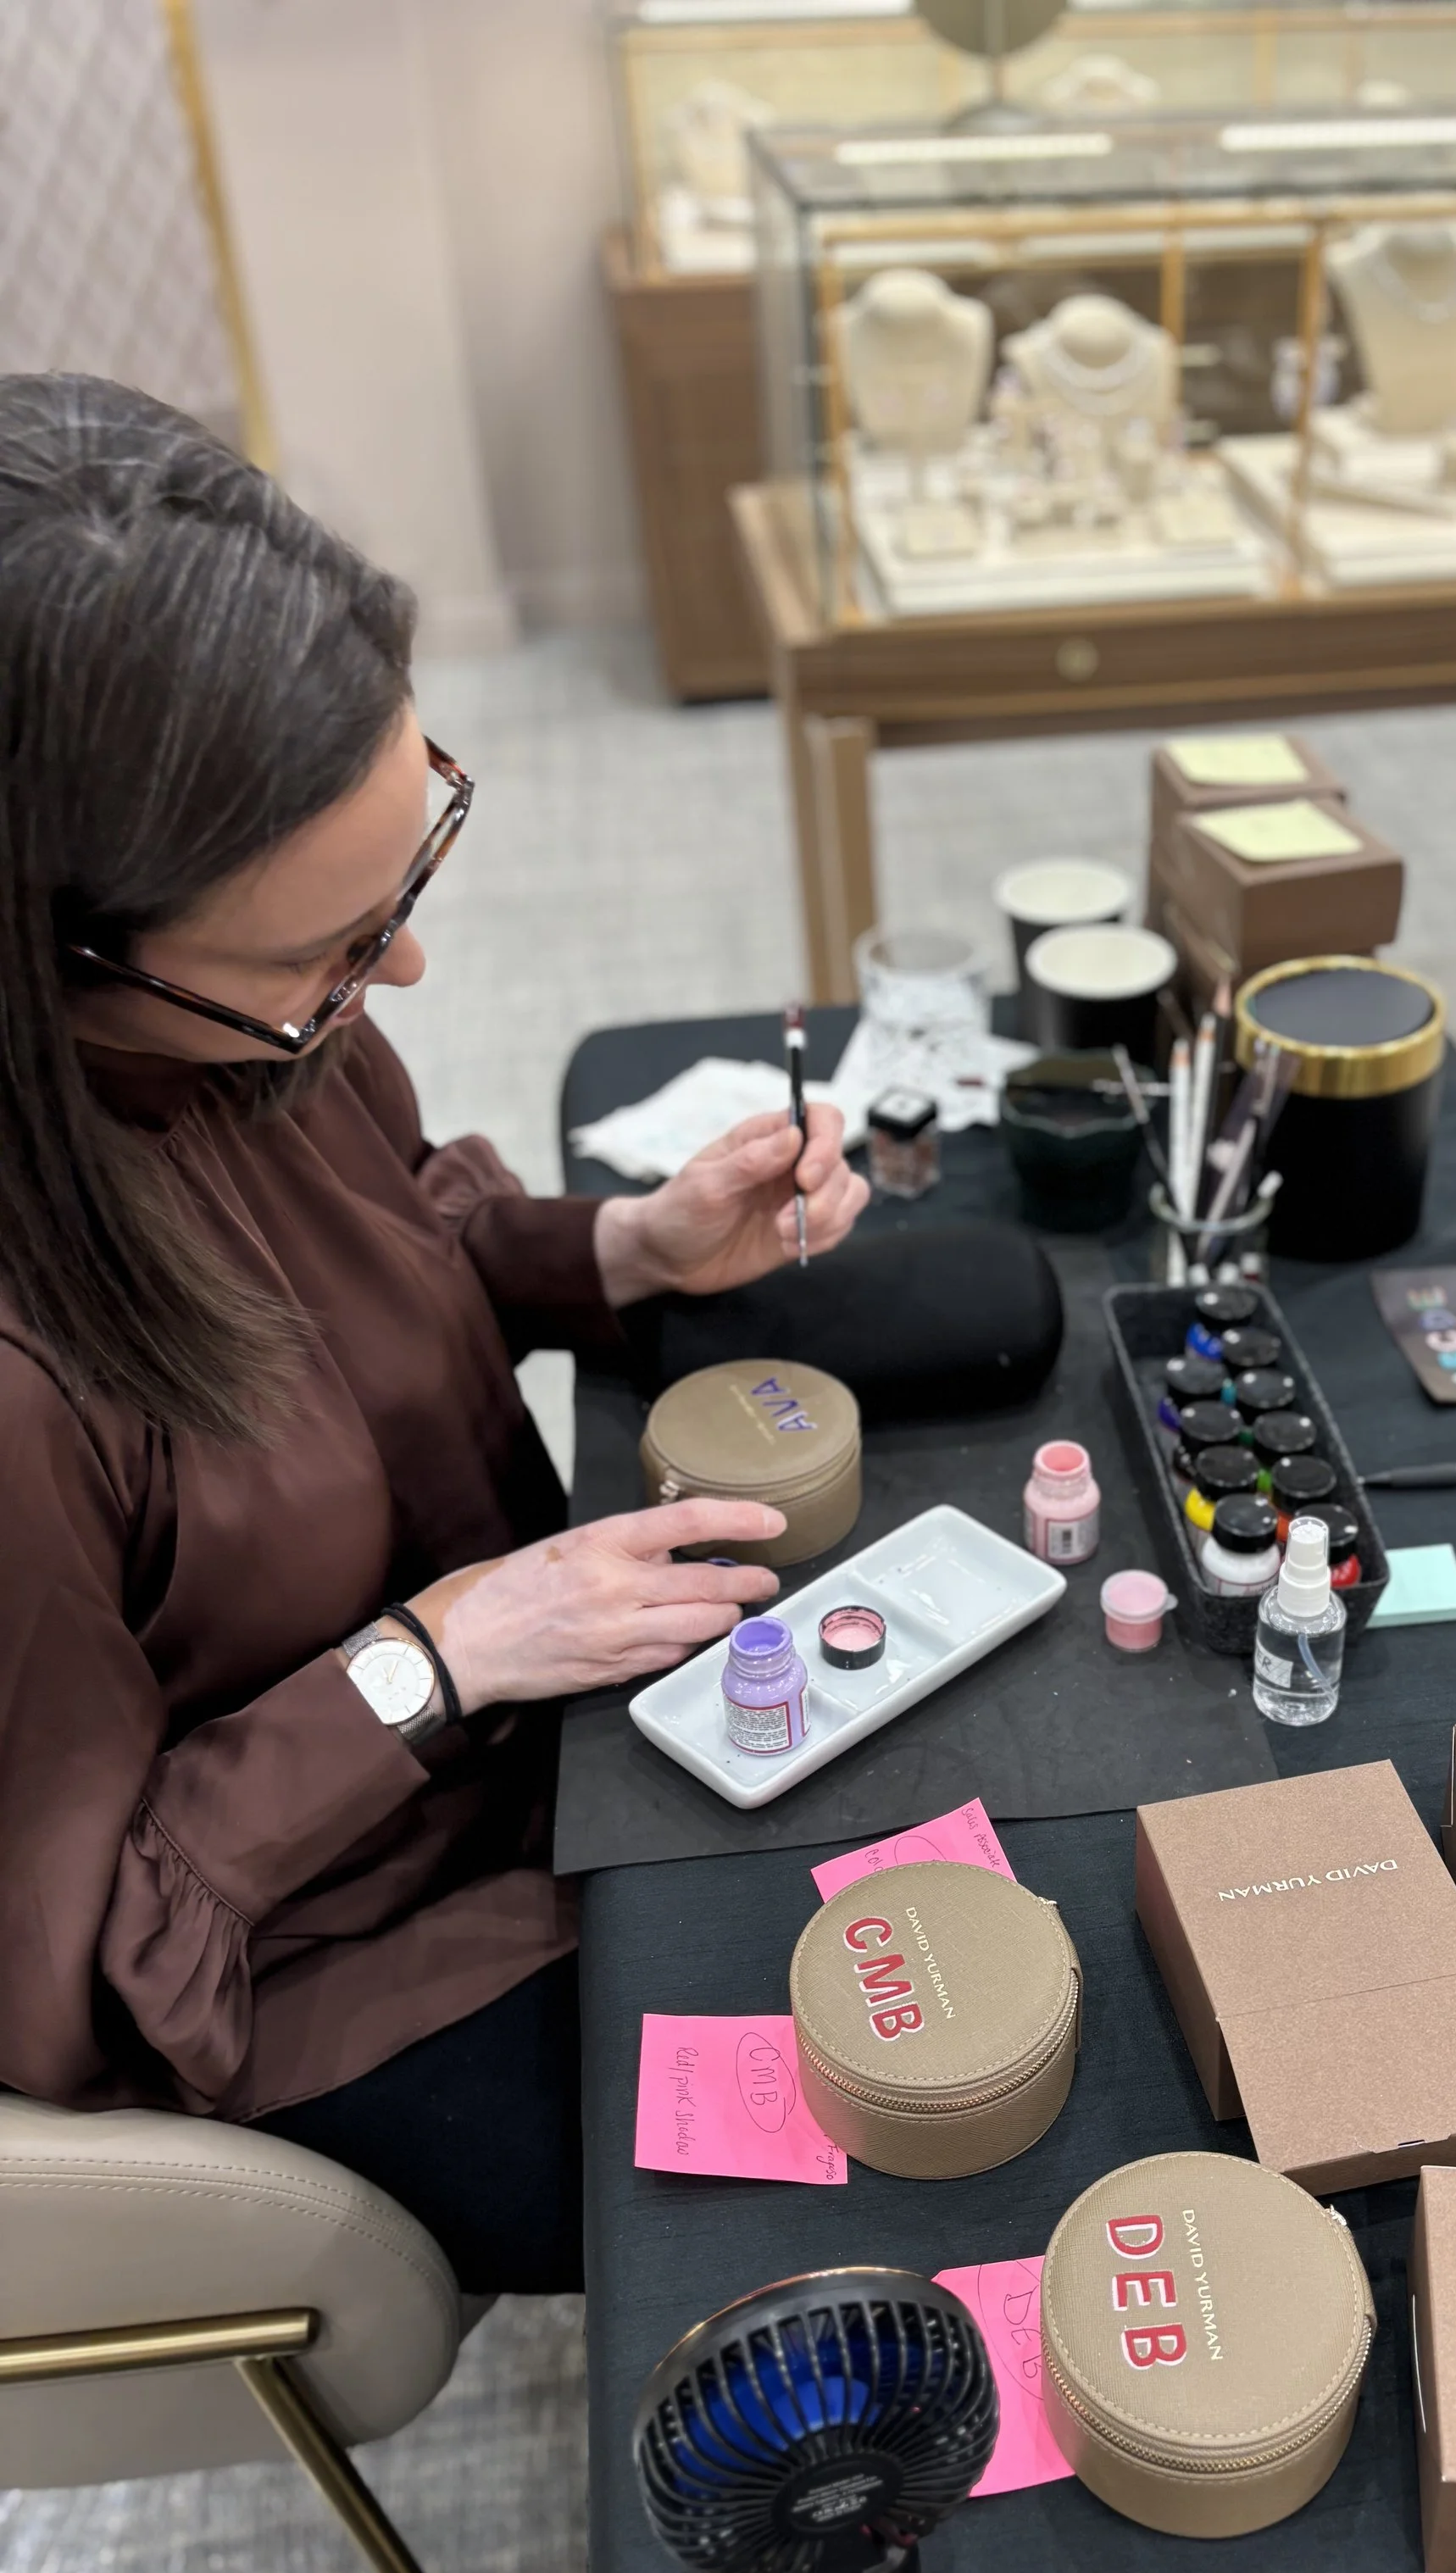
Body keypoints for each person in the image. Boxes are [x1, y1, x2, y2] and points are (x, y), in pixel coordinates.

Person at [0, 375, 868, 2292]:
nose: (399, 972)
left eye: (409, 865)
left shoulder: (224, 1022)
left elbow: (401, 1230)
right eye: (331, 950)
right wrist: (429, 1661)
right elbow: (55, 2000)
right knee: (868, 2132)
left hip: (536, 1722)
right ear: (56, 957)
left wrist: (629, 1245)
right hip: (320, 1962)